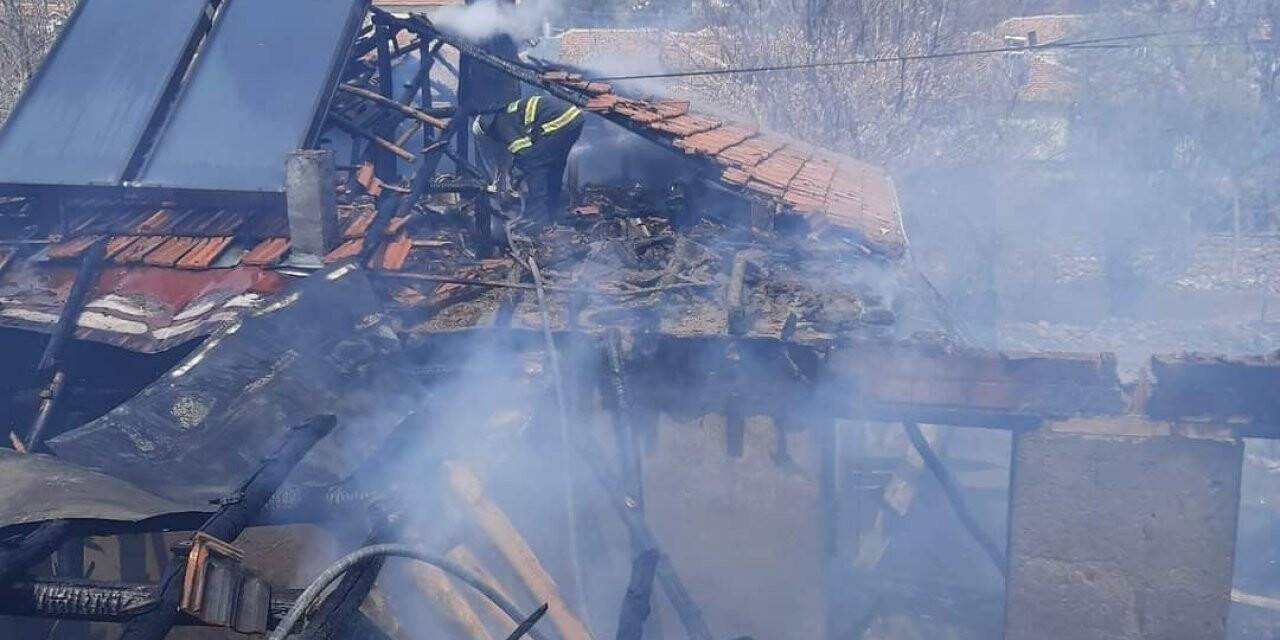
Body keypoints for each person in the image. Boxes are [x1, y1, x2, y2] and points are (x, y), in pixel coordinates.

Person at [472, 94, 585, 224]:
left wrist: (519, 171)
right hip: (573, 119)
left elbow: (526, 154)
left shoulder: (502, 125)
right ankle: (552, 213)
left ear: (488, 132)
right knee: (554, 168)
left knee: (536, 166)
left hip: (558, 121)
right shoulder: (506, 114)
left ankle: (539, 221)